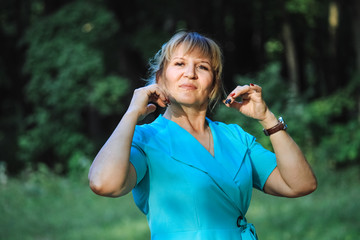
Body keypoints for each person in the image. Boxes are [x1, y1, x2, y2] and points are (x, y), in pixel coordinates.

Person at [88, 31, 317, 239]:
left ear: (214, 84)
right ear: (160, 78)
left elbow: (300, 185)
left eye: (202, 67)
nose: (190, 74)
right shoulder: (145, 139)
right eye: (179, 63)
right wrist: (131, 114)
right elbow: (104, 184)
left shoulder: (235, 137)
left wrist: (267, 117)